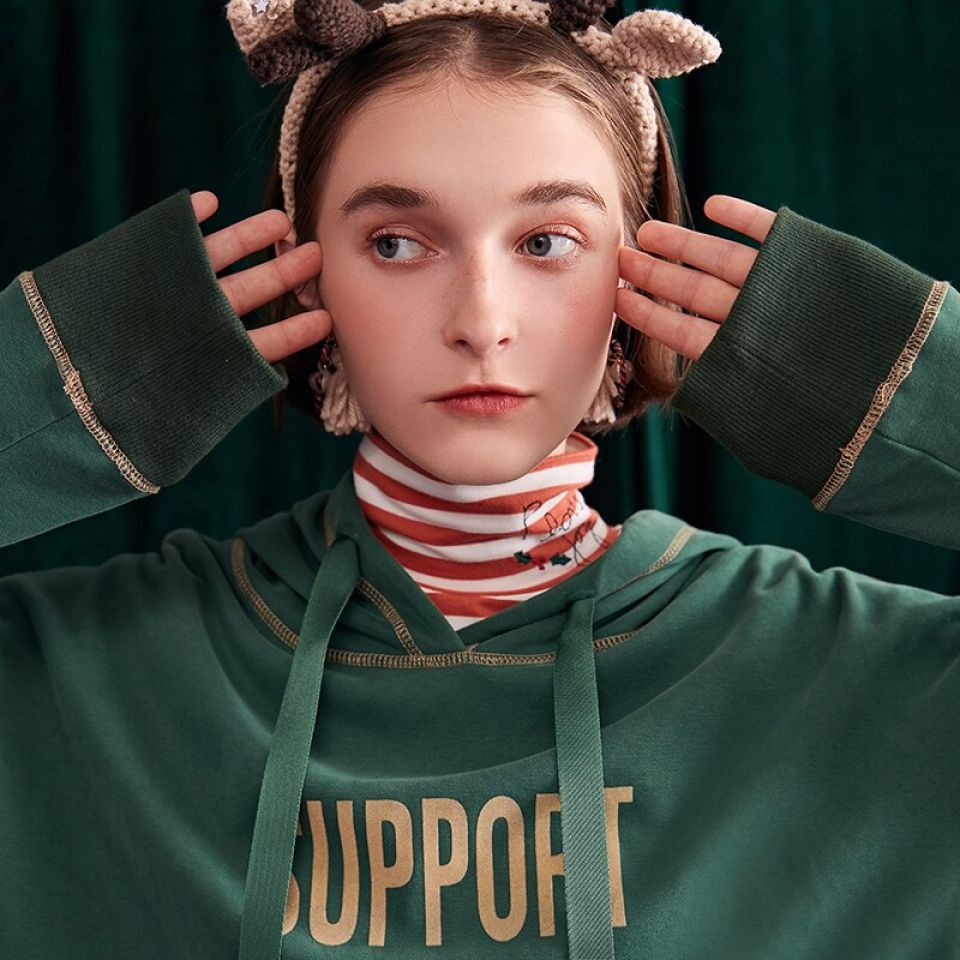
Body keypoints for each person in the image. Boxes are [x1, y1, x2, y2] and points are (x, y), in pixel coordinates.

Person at [1, 1, 957, 958]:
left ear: (638, 278)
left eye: (547, 243)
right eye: (396, 243)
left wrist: (894, 389)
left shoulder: (849, 678)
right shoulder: (80, 680)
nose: (481, 322)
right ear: (305, 277)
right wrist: (59, 388)